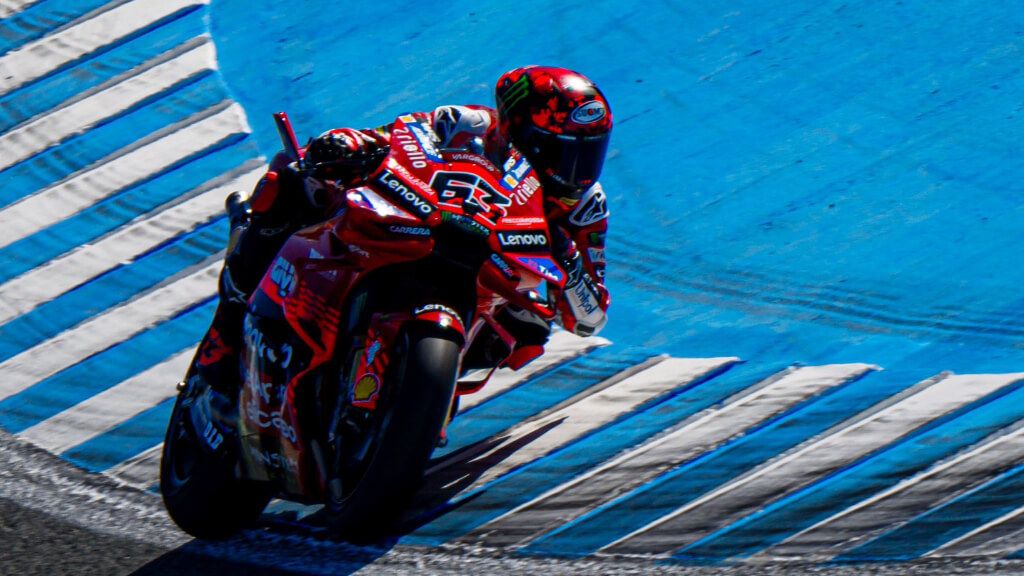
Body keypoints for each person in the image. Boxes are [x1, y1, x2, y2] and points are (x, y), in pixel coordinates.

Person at [194, 65, 612, 423]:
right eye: (560, 151)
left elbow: (589, 319)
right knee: (289, 180)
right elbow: (394, 139)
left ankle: (417, 402)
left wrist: (570, 263)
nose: (574, 170)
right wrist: (354, 143)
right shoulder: (463, 125)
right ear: (516, 128)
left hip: (489, 285)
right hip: (414, 228)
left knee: (531, 327)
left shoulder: (586, 209)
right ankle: (227, 334)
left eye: (589, 153)